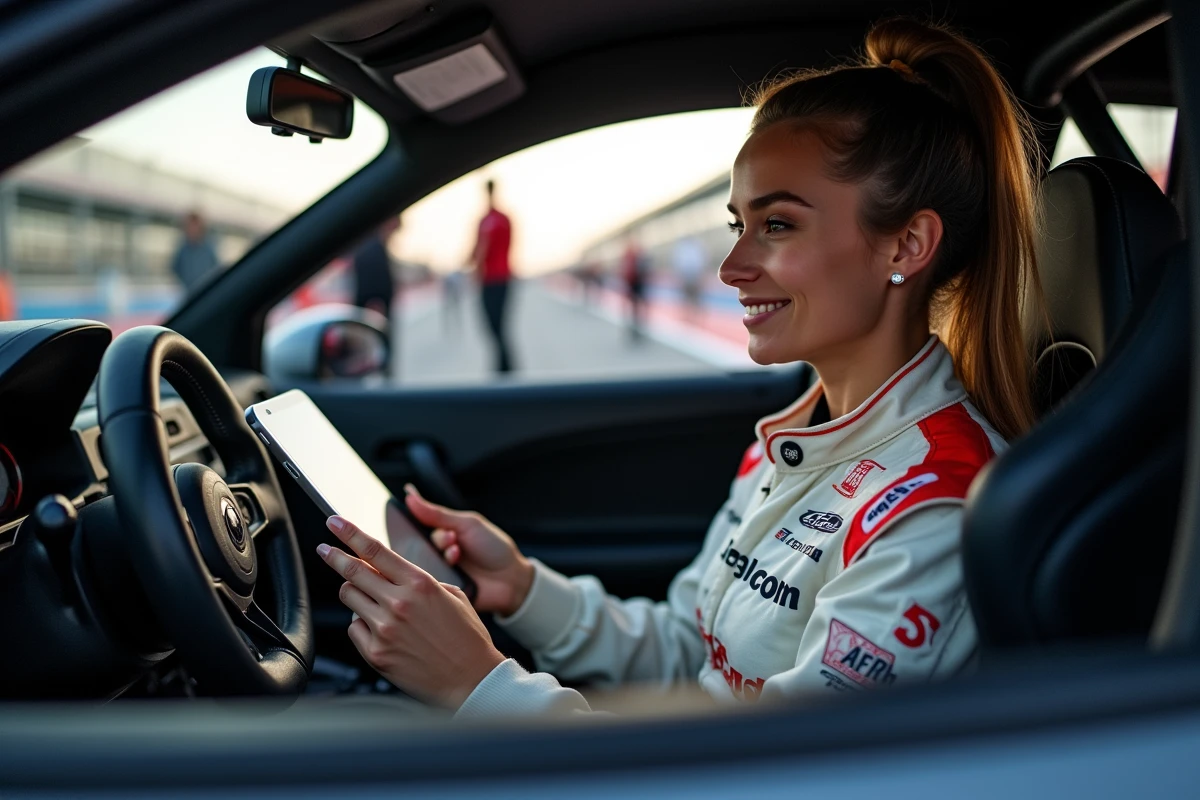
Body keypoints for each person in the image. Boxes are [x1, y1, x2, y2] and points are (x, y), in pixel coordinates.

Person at [314, 17, 1042, 716]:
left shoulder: (931, 506)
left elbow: (782, 776)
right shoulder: (791, 441)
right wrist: (524, 588)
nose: (731, 266)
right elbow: (691, 651)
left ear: (906, 246)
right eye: (738, 225)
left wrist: (474, 685)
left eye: (777, 224)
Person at [473, 179, 514, 373]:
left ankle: (504, 368)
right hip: (504, 278)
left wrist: (473, 271)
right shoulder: (505, 219)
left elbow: (480, 250)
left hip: (492, 279)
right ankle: (504, 366)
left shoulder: (488, 221)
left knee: (493, 325)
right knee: (500, 326)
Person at [352, 216, 400, 327]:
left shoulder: (376, 246)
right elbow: (371, 283)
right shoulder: (372, 248)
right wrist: (374, 305)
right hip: (375, 310)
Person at [170, 211, 219, 291]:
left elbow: (216, 269)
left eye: (195, 227)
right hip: (189, 292)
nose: (192, 230)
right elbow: (175, 268)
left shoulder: (209, 248)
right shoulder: (183, 249)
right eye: (189, 227)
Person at [673, 235, 708, 323]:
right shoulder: (684, 249)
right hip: (688, 276)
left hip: (693, 276)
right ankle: (689, 315)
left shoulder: (692, 249)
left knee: (694, 297)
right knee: (688, 297)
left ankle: (696, 315)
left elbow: (701, 263)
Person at [621, 235, 648, 341]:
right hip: (635, 284)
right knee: (636, 307)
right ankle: (635, 328)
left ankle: (634, 328)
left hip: (633, 284)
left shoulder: (629, 255)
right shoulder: (635, 255)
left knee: (635, 307)